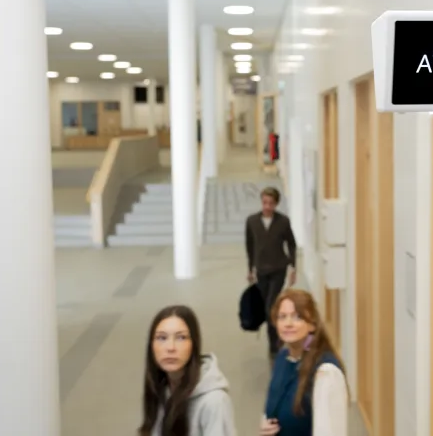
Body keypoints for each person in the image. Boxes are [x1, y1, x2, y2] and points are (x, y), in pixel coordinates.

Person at [138, 305, 237, 436]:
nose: (170, 347)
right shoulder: (162, 387)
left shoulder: (214, 401)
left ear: (194, 344)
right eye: (162, 338)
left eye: (181, 338)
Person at [260, 289, 348, 436]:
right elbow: (273, 406)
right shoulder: (283, 358)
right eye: (282, 317)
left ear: (312, 325)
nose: (288, 323)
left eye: (297, 317)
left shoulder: (326, 373)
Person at [245, 186, 298, 362]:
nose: (267, 206)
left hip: (278, 269)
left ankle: (276, 344)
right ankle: (275, 341)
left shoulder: (283, 221)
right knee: (267, 307)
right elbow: (249, 246)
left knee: (270, 307)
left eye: (271, 203)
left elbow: (291, 244)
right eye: (265, 202)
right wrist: (250, 269)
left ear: (276, 204)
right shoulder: (252, 221)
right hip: (261, 270)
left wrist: (293, 267)